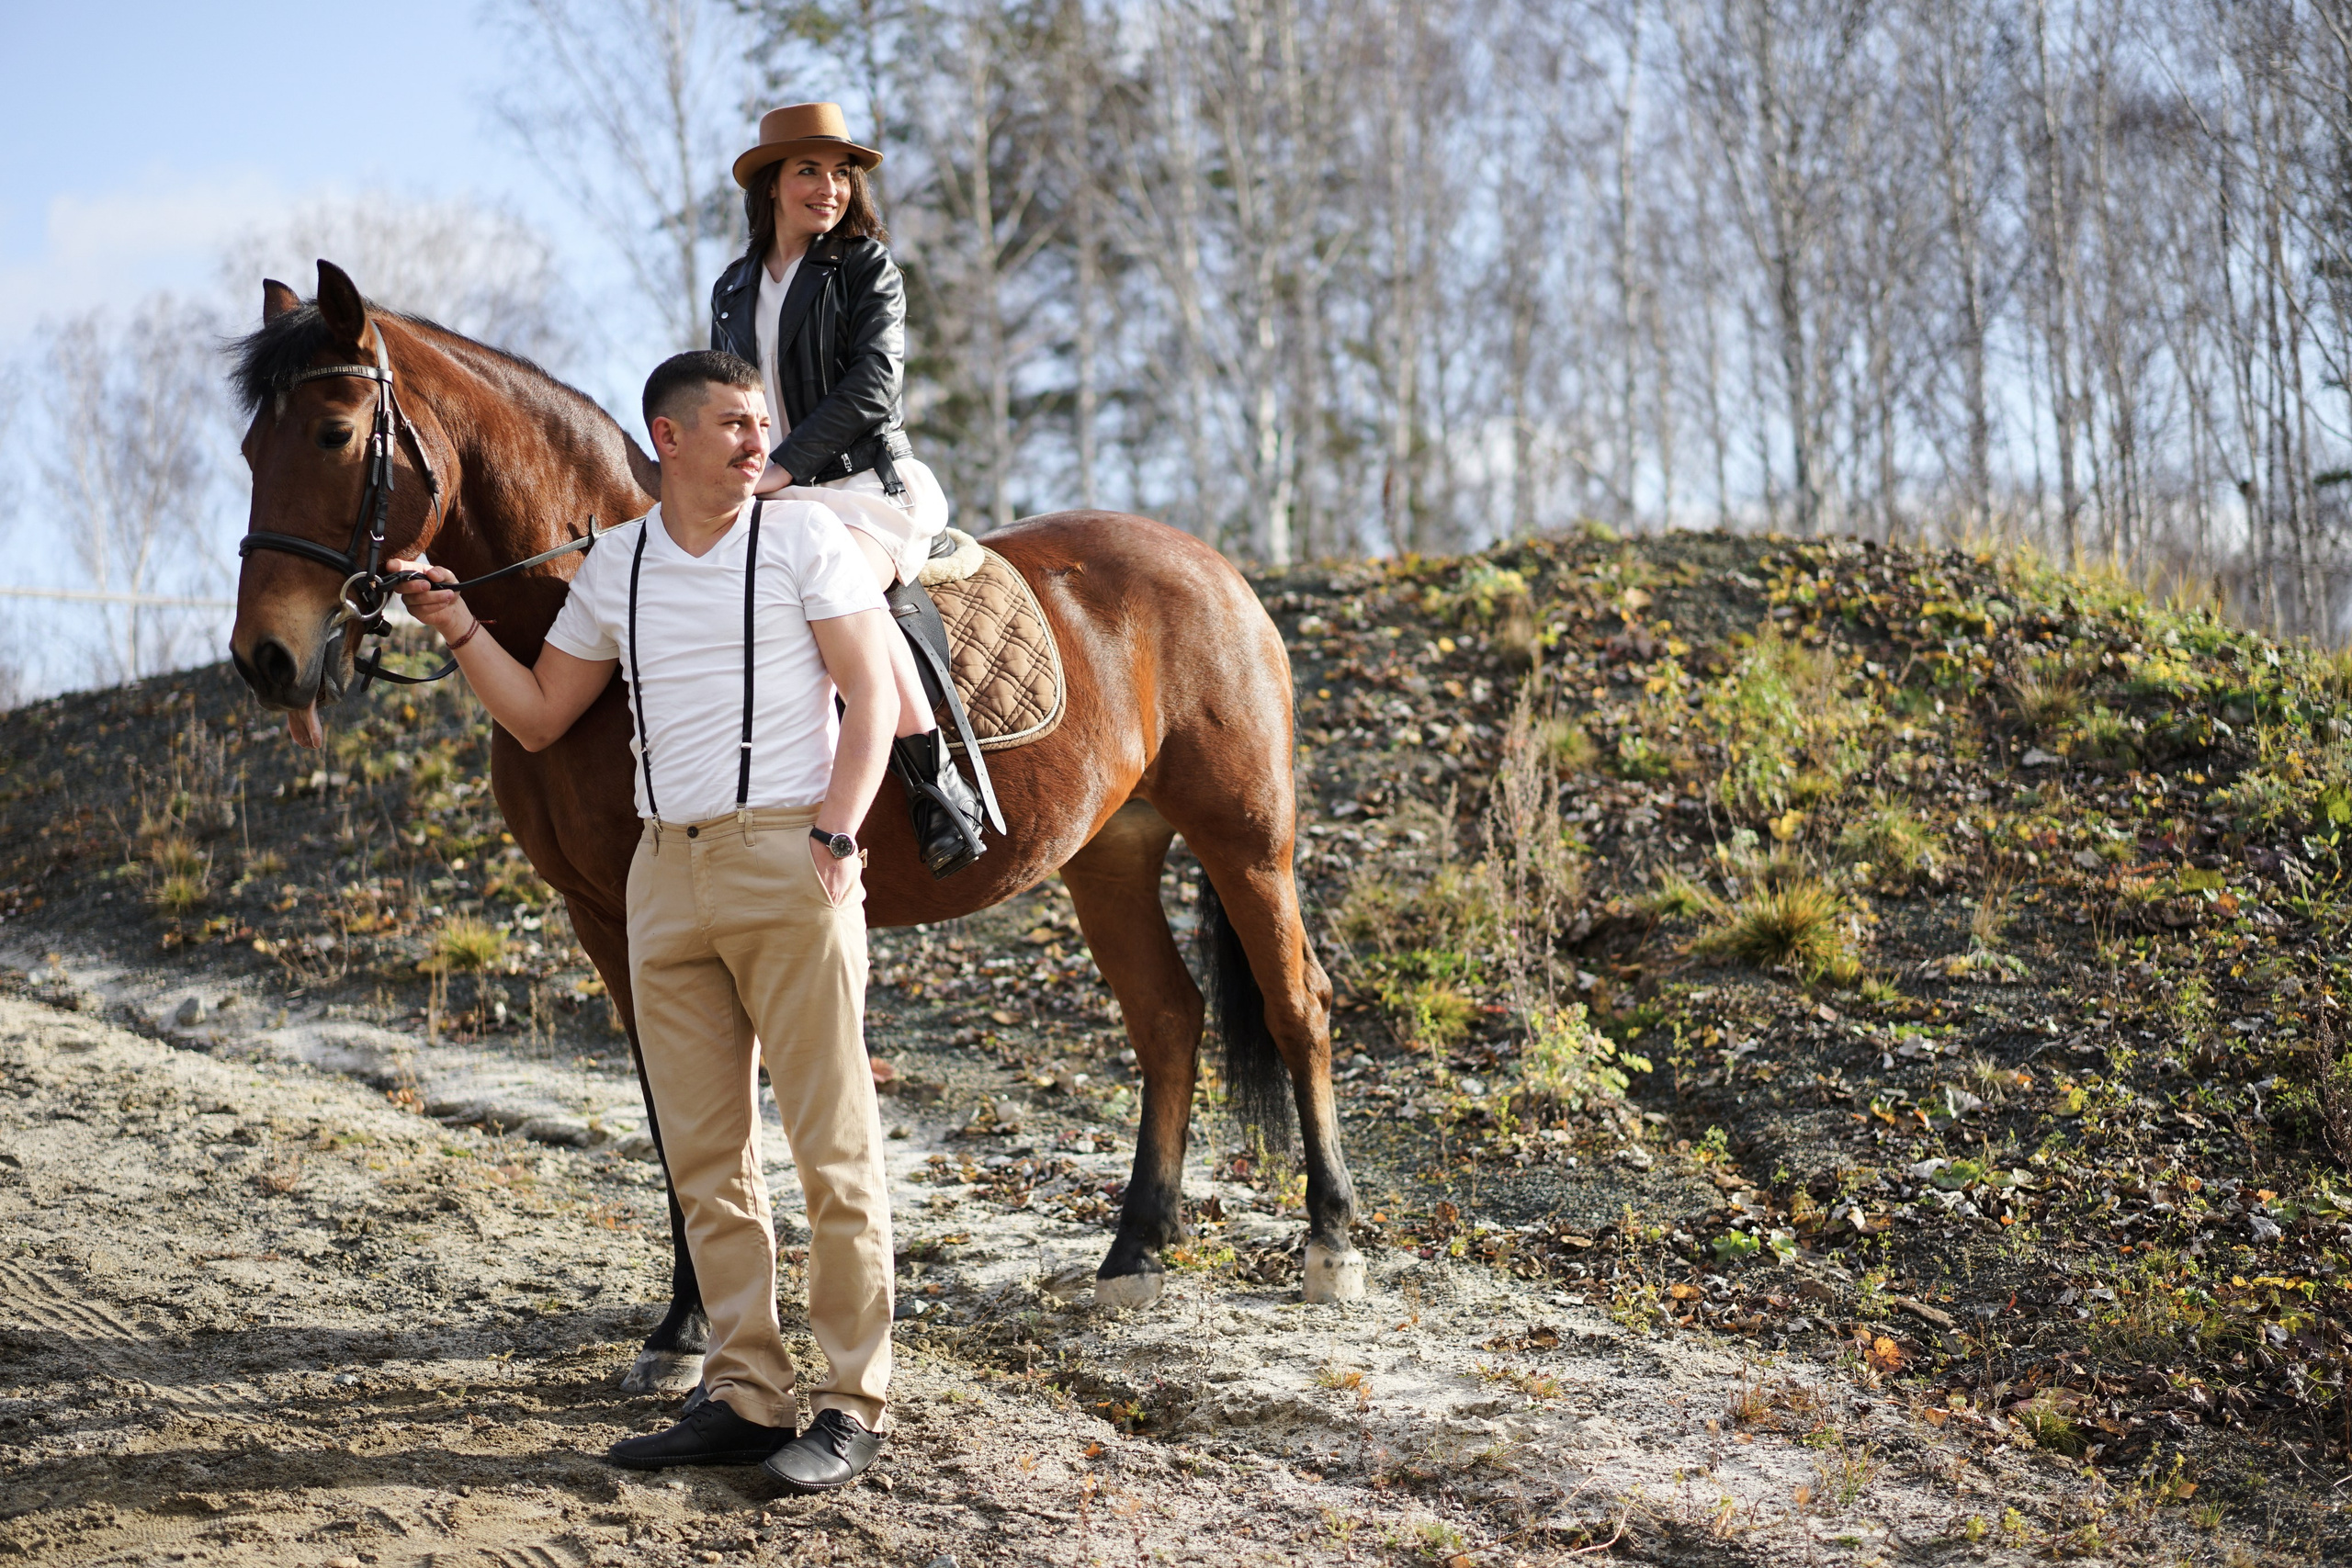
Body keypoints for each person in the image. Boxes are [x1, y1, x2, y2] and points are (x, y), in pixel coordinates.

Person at [388, 350, 897, 1493]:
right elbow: (537, 715)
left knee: (832, 1146)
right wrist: (464, 625)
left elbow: (875, 697)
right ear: (667, 439)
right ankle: (745, 1392)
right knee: (707, 1155)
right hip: (664, 876)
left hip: (786, 858)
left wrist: (836, 833)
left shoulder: (807, 539)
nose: (756, 441)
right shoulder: (615, 566)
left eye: (760, 422)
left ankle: (851, 1404)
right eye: (731, 424)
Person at [712, 101, 986, 881]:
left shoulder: (867, 267)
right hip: (774, 498)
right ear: (771, 185)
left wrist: (780, 465)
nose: (828, 187)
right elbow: (723, 397)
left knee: (842, 600)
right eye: (809, 170)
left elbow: (874, 390)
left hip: (868, 490)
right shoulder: (732, 289)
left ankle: (940, 790)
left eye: (841, 173)